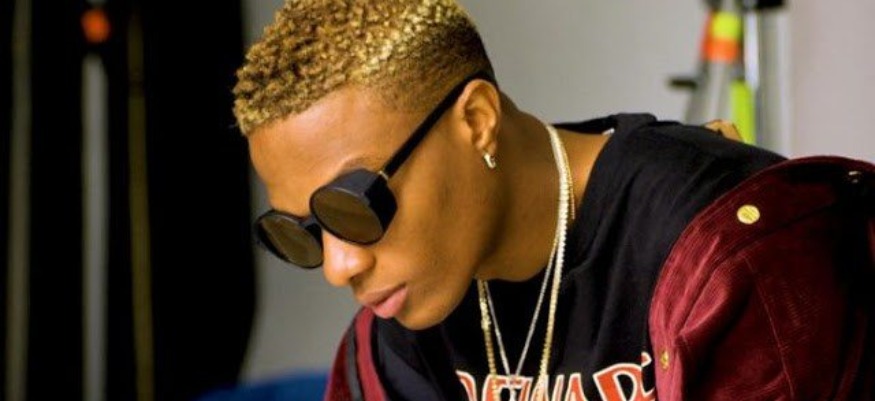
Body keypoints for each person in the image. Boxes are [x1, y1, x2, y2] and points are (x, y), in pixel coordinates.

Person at [232, 1, 875, 400]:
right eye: (303, 233)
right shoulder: (399, 328)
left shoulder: (731, 256)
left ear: (477, 120)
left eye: (354, 207)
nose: (341, 266)